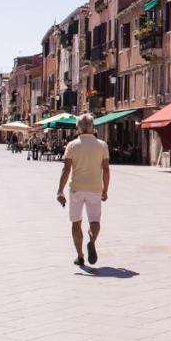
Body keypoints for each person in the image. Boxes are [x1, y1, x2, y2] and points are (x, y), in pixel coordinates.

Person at [56, 114, 110, 267]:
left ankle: (80, 256)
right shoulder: (102, 145)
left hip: (76, 188)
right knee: (95, 220)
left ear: (78, 127)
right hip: (94, 188)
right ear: (93, 127)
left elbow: (66, 170)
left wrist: (60, 190)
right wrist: (105, 189)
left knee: (76, 222)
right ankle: (91, 241)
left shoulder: (72, 145)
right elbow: (106, 170)